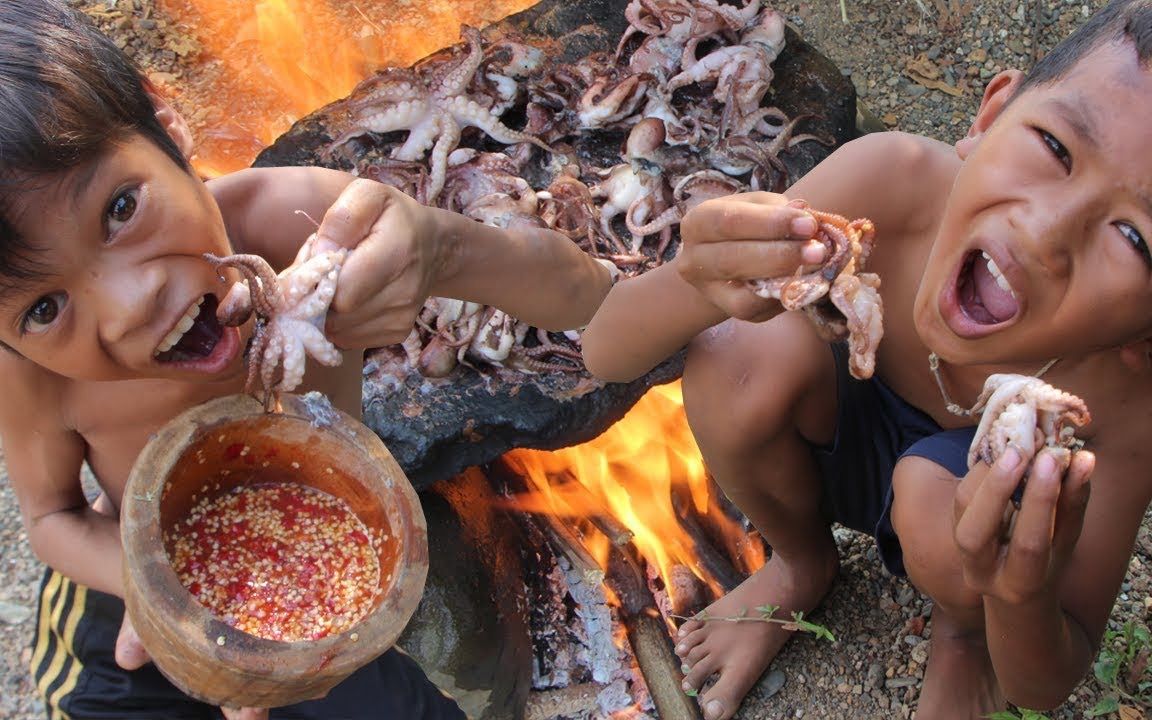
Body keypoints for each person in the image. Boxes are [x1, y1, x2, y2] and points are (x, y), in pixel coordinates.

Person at [0, 2, 614, 718]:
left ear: (167, 129)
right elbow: (52, 519)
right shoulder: (33, 376)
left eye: (120, 208)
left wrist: (443, 246)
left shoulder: (303, 226)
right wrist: (151, 590)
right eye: (43, 308)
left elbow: (585, 298)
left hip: (322, 558)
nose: (130, 304)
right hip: (129, 587)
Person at [580, 1, 1152, 718]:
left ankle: (965, 637)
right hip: (840, 415)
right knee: (737, 357)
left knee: (928, 496)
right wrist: (698, 277)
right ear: (989, 114)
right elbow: (604, 351)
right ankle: (801, 562)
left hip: (960, 519)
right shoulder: (893, 183)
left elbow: (1050, 678)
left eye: (1135, 240)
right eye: (1055, 148)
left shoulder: (1126, 406)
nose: (1043, 234)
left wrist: (1018, 595)